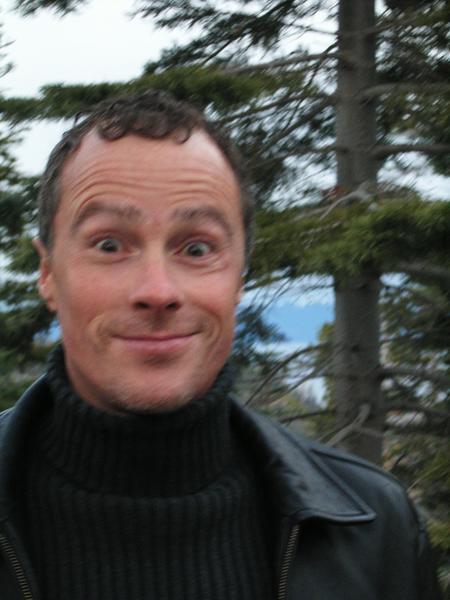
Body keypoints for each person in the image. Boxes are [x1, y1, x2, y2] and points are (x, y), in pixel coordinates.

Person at [0, 90, 442, 600]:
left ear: (239, 277)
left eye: (196, 248)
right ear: (48, 273)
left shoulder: (374, 531)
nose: (158, 291)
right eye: (109, 244)